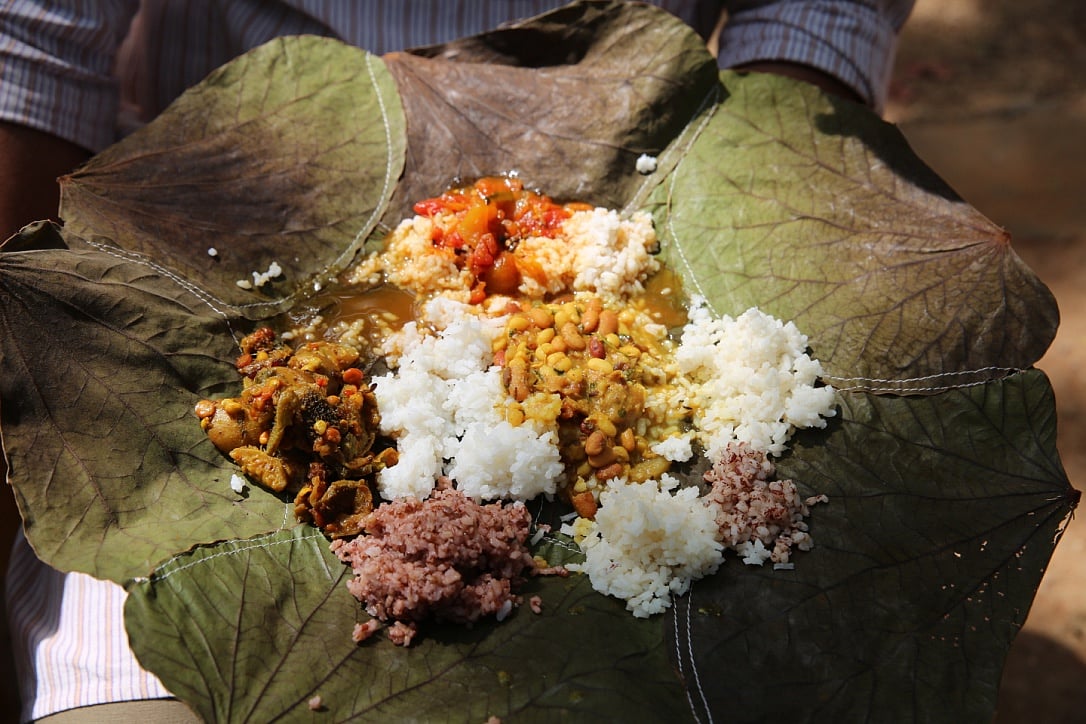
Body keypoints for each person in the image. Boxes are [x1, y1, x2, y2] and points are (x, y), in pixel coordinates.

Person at [0, 1, 915, 720]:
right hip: (213, 226)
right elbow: (31, 49)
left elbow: (817, 9)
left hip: (628, 163)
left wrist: (742, 175)